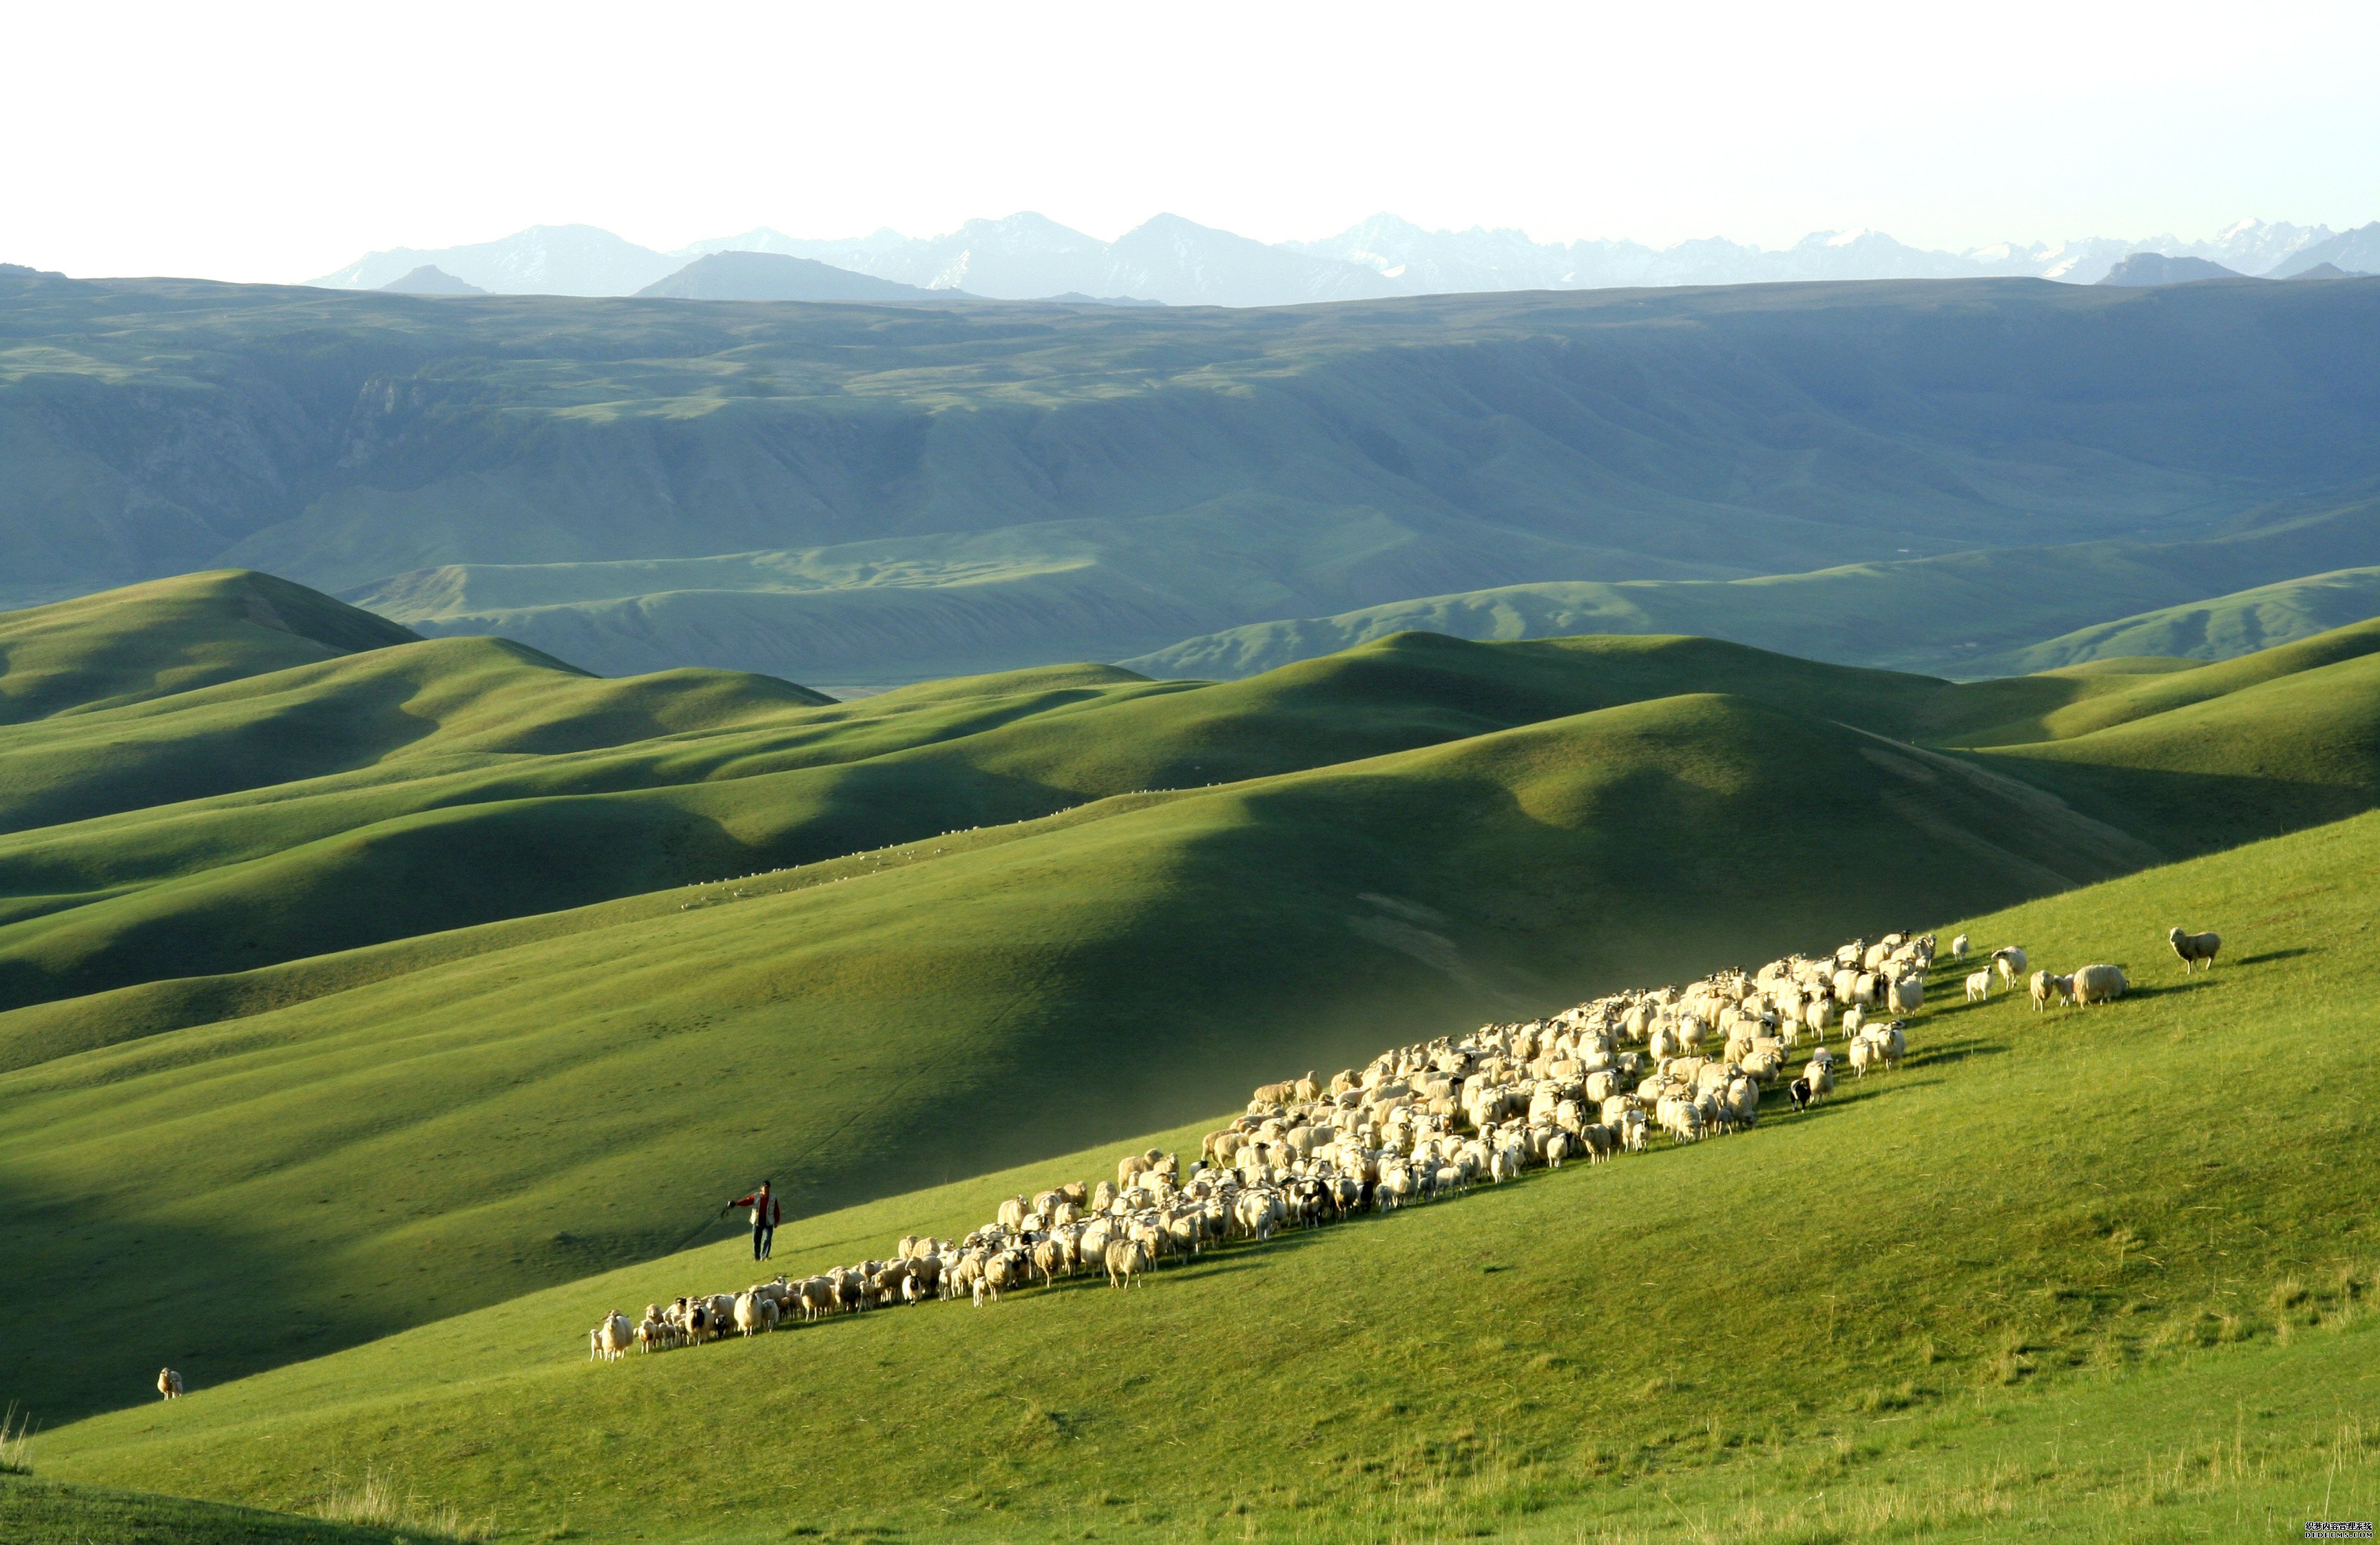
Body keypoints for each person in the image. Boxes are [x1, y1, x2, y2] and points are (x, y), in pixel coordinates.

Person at [729, 1180, 781, 1261]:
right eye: (764, 1189)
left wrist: (777, 1221)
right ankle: (757, 1258)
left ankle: (765, 1257)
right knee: (756, 1241)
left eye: (767, 1189)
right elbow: (747, 1201)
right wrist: (736, 1203)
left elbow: (776, 1210)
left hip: (768, 1222)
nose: (766, 1191)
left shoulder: (773, 1198)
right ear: (761, 1189)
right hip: (758, 1221)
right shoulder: (756, 1196)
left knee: (767, 1239)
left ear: (769, 1188)